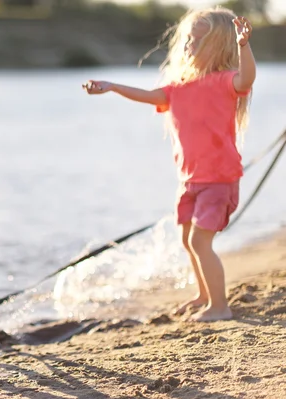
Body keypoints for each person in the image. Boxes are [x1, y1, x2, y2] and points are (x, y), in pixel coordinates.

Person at [83, 6, 256, 321]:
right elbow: (148, 95)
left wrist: (244, 45)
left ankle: (220, 307)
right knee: (188, 241)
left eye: (198, 41)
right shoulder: (178, 89)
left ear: (218, 47)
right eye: (189, 40)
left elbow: (247, 78)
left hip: (218, 179)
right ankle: (204, 295)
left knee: (199, 241)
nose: (189, 46)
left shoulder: (225, 82)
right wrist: (112, 86)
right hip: (190, 181)